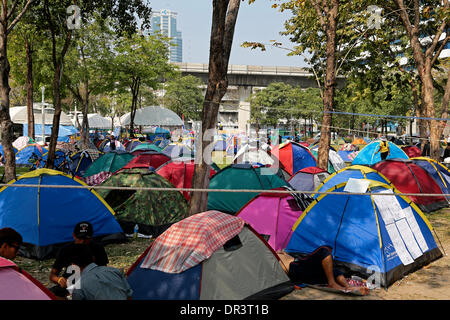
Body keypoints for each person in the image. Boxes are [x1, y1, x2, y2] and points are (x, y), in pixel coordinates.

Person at [48, 221, 109, 299]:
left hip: (91, 286)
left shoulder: (97, 248)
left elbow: (103, 273)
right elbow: (52, 275)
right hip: (69, 285)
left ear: (91, 237)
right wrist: (59, 280)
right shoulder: (66, 250)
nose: (82, 241)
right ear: (74, 235)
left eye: (86, 238)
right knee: (47, 295)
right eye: (80, 238)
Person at [277, 246, 369, 295]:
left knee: (332, 271)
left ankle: (347, 286)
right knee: (324, 250)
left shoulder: (277, 252)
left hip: (302, 271)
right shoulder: (271, 256)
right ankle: (333, 283)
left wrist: (283, 252)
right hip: (294, 268)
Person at [68, 245, 133, 300]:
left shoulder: (79, 287)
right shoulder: (114, 271)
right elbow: (129, 295)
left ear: (73, 265)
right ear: (93, 258)